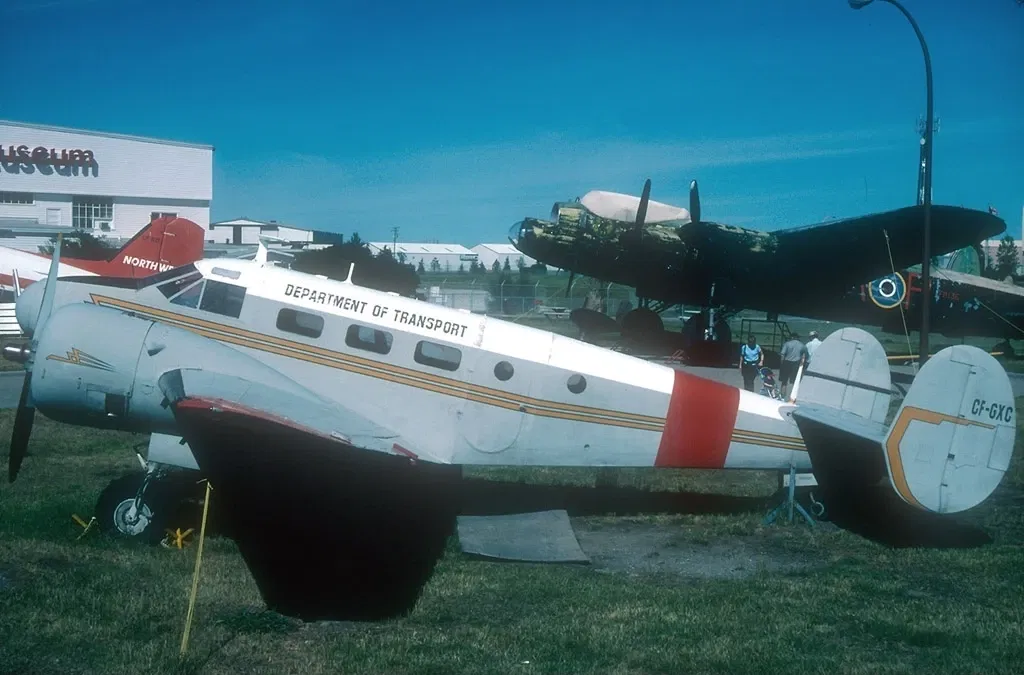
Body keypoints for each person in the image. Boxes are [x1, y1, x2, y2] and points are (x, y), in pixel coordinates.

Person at [778, 332, 809, 399]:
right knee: (794, 381)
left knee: (784, 381)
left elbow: (782, 354)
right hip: (796, 364)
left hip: (786, 362)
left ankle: (782, 396)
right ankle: (792, 396)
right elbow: (806, 355)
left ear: (792, 337)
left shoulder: (787, 344)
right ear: (797, 337)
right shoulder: (802, 345)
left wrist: (781, 364)